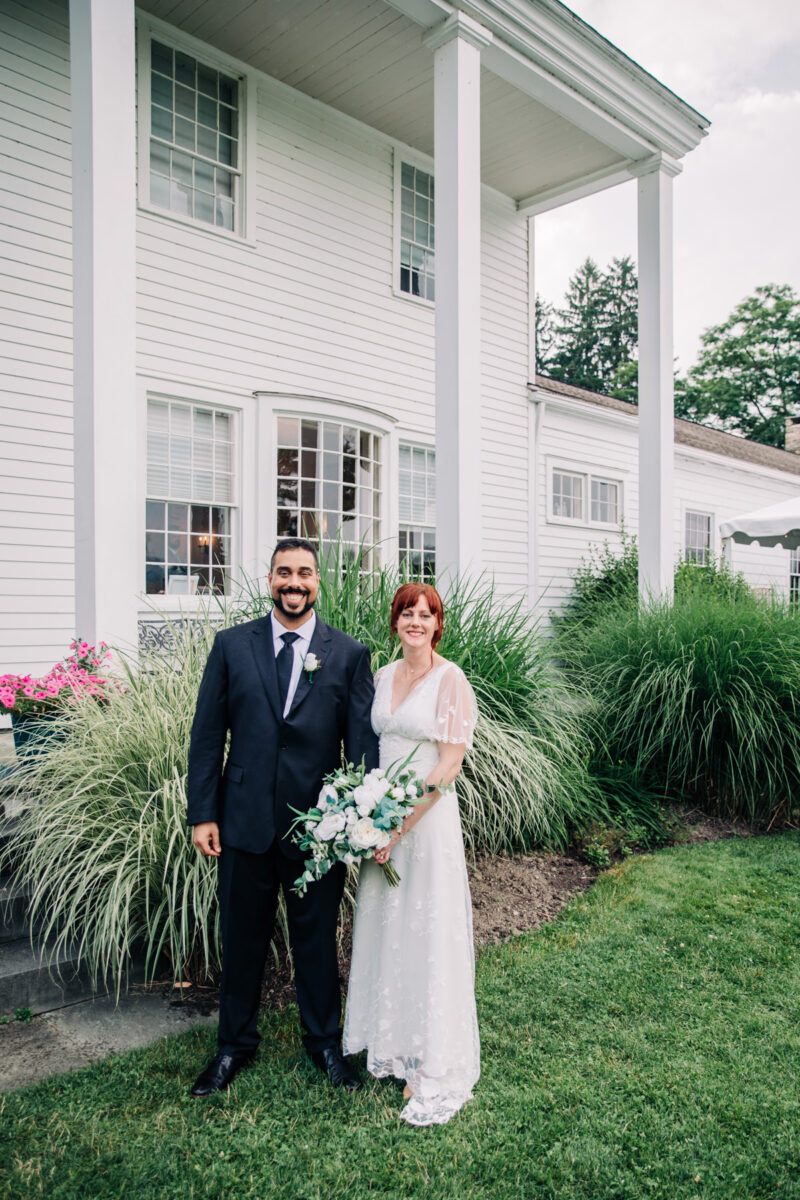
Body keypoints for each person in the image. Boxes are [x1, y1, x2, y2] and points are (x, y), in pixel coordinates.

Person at [187, 537, 378, 1096]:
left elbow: (362, 746)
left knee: (316, 939)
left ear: (319, 582)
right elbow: (206, 737)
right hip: (242, 820)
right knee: (241, 938)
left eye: (305, 574)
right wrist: (204, 813)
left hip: (317, 829)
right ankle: (232, 1048)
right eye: (283, 573)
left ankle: (324, 1044)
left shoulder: (348, 653)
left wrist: (355, 819)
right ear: (269, 579)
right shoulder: (230, 645)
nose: (294, 583)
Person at [342, 582, 479, 1126]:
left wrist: (397, 826)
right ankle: (392, 1043)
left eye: (426, 615)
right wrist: (369, 820)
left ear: (437, 624)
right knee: (388, 925)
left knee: (426, 931)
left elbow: (448, 765)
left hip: (425, 823)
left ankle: (432, 1061)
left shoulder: (451, 680)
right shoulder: (381, 676)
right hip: (382, 822)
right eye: (407, 613)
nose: (416, 622)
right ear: (395, 622)